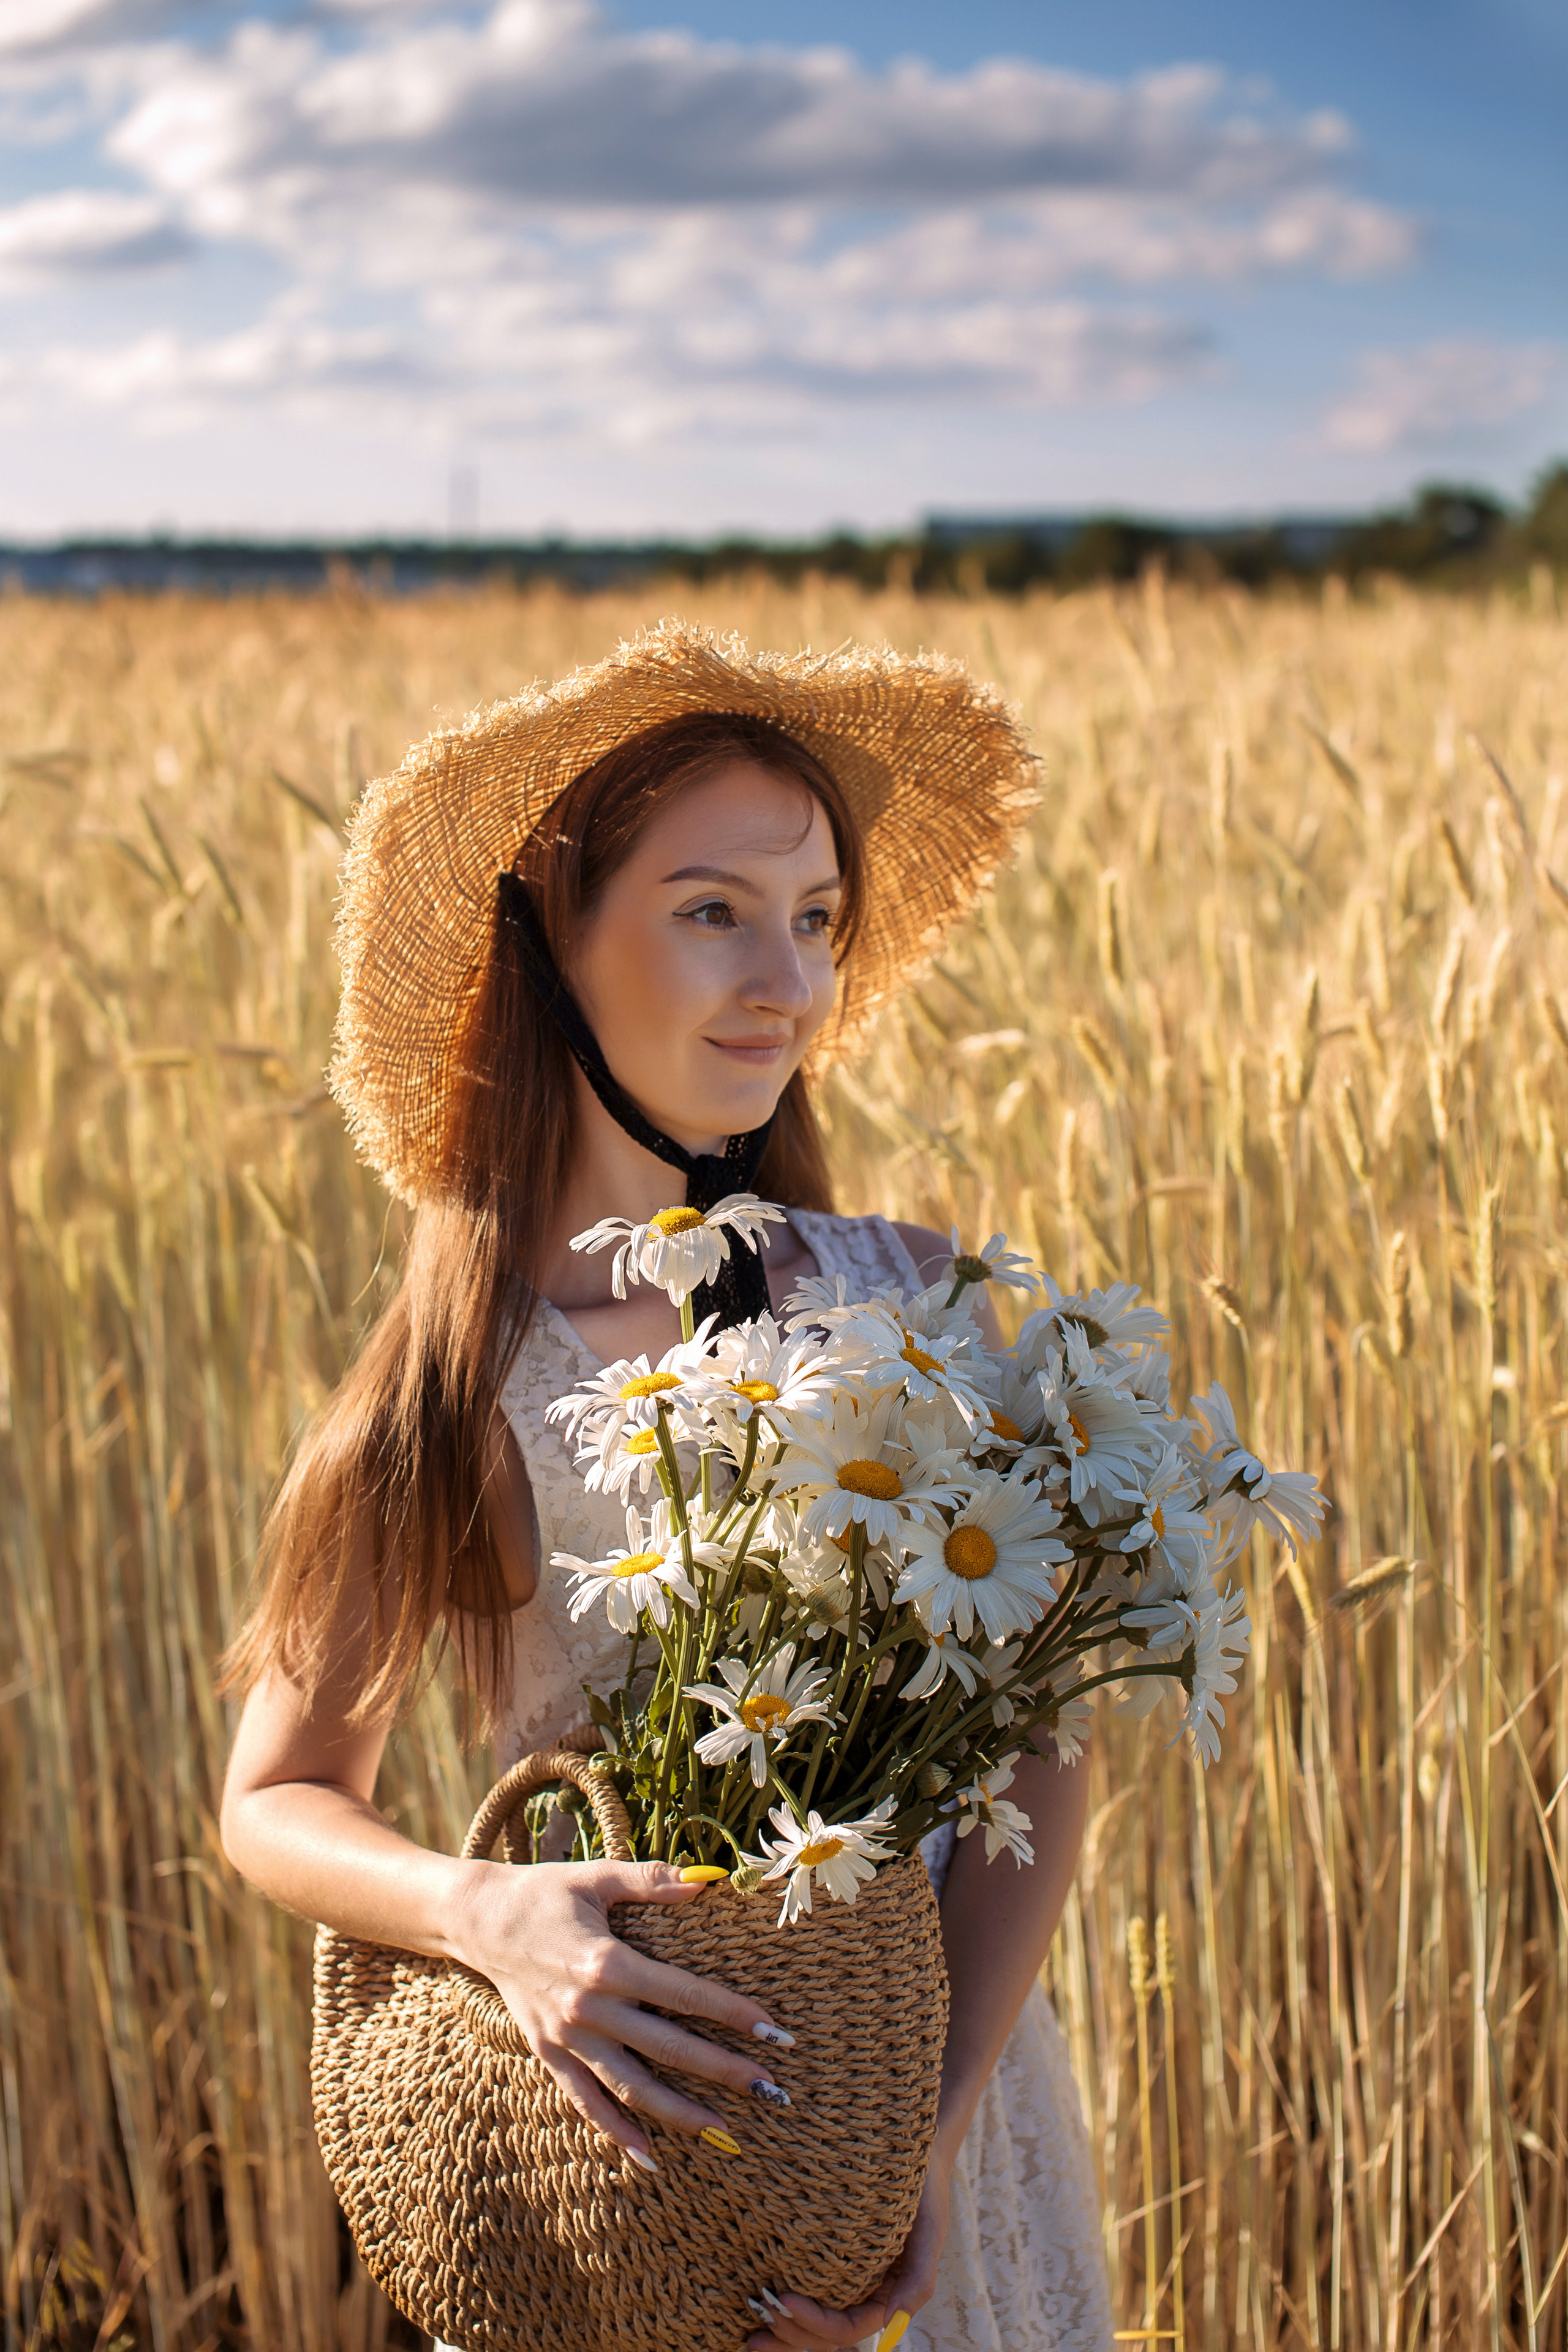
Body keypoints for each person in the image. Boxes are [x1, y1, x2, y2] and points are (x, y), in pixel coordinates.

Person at [219, 622, 1115, 2352]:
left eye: (817, 919)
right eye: (714, 910)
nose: (788, 981)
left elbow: (1044, 1743)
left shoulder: (921, 1298)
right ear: (550, 938)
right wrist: (488, 1915)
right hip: (632, 2150)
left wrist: (913, 2145)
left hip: (952, 2129)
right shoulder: (462, 1382)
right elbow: (276, 1794)